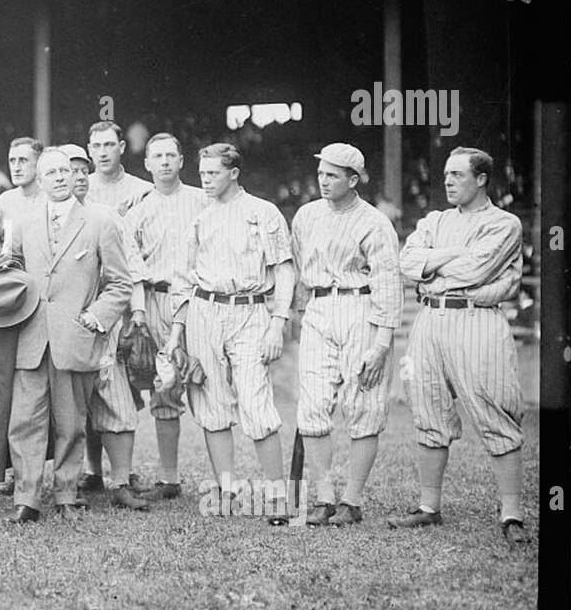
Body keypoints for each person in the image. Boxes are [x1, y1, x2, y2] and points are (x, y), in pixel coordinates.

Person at [393, 146, 527, 542]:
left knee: (495, 408)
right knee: (428, 407)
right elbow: (407, 262)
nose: (448, 181)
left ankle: (512, 515)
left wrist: (432, 266)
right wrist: (449, 258)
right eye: (447, 175)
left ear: (481, 178)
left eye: (458, 175)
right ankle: (428, 507)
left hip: (477, 318)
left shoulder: (504, 223)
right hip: (430, 318)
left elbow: (476, 269)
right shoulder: (435, 220)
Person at [169, 142, 297, 524]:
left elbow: (284, 270)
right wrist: (177, 334)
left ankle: (276, 498)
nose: (205, 180)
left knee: (256, 402)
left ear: (234, 173)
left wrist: (278, 321)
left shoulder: (262, 212)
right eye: (202, 173)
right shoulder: (200, 216)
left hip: (249, 310)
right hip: (205, 309)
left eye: (213, 173)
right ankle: (226, 492)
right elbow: (182, 277)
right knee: (210, 402)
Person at [3, 148, 133, 522]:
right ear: (39, 180)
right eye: (52, 173)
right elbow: (10, 270)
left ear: (78, 177)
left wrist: (96, 316)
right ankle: (26, 499)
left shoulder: (99, 221)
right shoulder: (25, 221)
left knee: (71, 422)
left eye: (66, 171)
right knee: (24, 420)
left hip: (75, 337)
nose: (60, 177)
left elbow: (120, 283)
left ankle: (66, 493)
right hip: (30, 337)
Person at [290, 143, 402, 527]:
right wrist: (301, 314)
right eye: (321, 172)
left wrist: (382, 344)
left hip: (361, 307)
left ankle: (351, 501)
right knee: (313, 404)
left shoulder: (374, 222)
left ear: (353, 180)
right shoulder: (306, 215)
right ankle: (323, 497)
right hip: (320, 308)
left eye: (333, 175)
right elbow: (301, 271)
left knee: (363, 405)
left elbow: (388, 284)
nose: (323, 180)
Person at [123, 132, 206, 501]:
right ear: (147, 164)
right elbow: (131, 265)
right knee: (164, 387)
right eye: (158, 156)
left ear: (182, 160)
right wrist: (138, 311)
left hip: (199, 300)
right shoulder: (138, 209)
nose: (165, 162)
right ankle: (170, 478)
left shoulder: (203, 201)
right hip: (157, 297)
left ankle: (223, 479)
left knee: (208, 384)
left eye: (171, 155)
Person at [71, 128, 150, 510]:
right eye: (65, 171)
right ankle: (80, 476)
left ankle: (121, 481)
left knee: (115, 399)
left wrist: (135, 313)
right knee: (72, 404)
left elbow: (130, 271)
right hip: (64, 324)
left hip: (105, 321)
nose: (73, 178)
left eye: (79, 171)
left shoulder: (107, 216)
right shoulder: (42, 218)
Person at [0, 136, 45, 495]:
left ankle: (49, 472)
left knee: (41, 389)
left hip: (43, 302)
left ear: (39, 163)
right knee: (2, 385)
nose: (16, 166)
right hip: (12, 302)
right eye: (12, 159)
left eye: (24, 160)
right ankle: (9, 472)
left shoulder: (51, 198)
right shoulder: (3, 202)